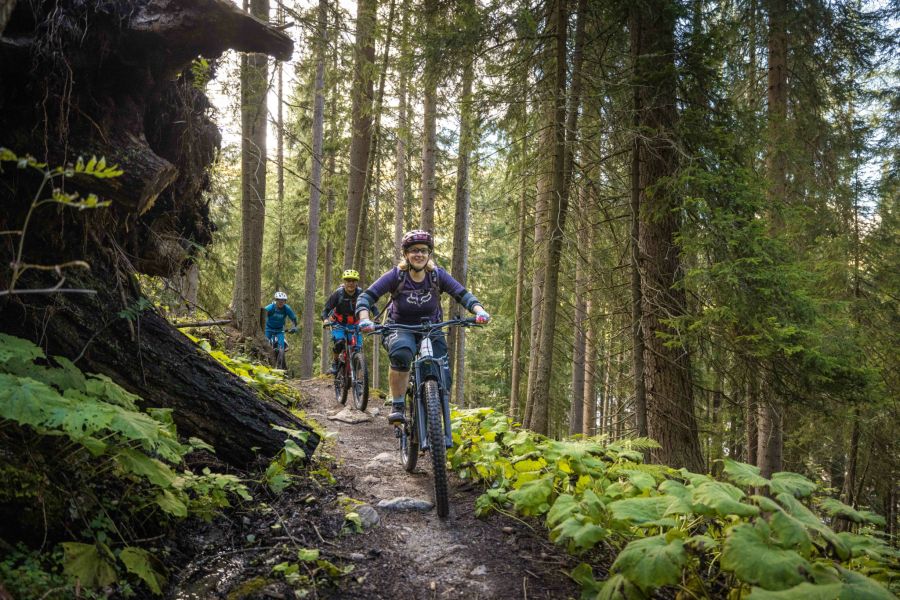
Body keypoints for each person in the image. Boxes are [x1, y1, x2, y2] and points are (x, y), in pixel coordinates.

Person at [355, 230, 490, 424]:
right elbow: (366, 297)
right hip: (400, 326)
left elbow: (462, 294)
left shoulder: (436, 275)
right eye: (414, 250)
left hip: (431, 328)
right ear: (406, 254)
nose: (419, 254)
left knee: (441, 368)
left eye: (424, 251)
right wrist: (364, 318)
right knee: (402, 353)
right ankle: (398, 404)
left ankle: (436, 411)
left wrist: (479, 311)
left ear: (429, 254)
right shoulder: (396, 276)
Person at [322, 269, 362, 375]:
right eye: (348, 281)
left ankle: (357, 379)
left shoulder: (361, 293)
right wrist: (326, 319)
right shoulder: (338, 294)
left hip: (355, 324)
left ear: (356, 282)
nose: (351, 283)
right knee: (339, 343)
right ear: (344, 282)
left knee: (357, 349)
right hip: (339, 324)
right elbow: (326, 309)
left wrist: (376, 316)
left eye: (353, 281)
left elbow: (371, 306)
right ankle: (335, 363)